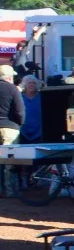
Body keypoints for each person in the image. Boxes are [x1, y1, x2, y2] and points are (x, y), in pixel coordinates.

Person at [0, 64, 25, 197]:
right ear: (9, 77)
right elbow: (20, 111)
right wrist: (19, 124)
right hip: (10, 127)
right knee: (10, 161)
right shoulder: (13, 89)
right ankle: (11, 191)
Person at [19, 76, 43, 144]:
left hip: (39, 132)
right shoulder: (19, 97)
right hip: (23, 131)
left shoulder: (41, 97)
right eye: (29, 83)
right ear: (25, 85)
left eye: (34, 83)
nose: (31, 85)